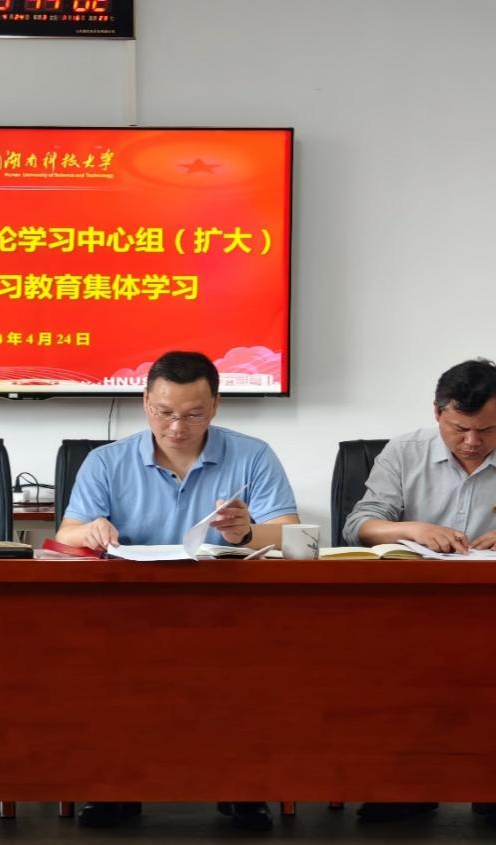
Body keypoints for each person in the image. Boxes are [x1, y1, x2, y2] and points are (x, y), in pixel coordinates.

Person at [55, 351, 300, 832]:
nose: (176, 427)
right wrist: (90, 531)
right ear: (146, 403)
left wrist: (246, 532)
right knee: (97, 659)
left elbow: (292, 534)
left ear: (215, 407)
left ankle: (243, 786)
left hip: (227, 607)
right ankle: (114, 787)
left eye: (193, 415)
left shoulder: (253, 455)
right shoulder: (107, 461)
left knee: (255, 661)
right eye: (164, 412)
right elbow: (67, 534)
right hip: (129, 608)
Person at [343, 358, 496, 830]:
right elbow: (358, 526)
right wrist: (412, 528)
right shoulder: (403, 452)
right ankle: (404, 789)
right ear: (437, 414)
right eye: (459, 429)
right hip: (409, 606)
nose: (472, 442)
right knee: (397, 673)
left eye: (487, 430)